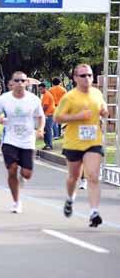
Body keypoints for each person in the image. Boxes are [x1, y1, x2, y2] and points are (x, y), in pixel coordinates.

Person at [54, 64, 108, 228]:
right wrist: (78, 116)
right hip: (74, 142)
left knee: (92, 175)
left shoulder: (97, 93)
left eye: (89, 75)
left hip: (93, 142)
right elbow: (57, 118)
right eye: (83, 76)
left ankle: (94, 212)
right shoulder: (69, 97)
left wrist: (104, 112)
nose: (87, 79)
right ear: (75, 78)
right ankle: (70, 199)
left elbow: (102, 107)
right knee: (74, 177)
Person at [0, 71, 45, 214]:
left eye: (22, 80)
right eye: (17, 80)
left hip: (27, 141)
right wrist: (0, 119)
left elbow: (41, 116)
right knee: (12, 169)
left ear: (27, 83)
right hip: (10, 139)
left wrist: (40, 129)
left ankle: (22, 178)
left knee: (27, 174)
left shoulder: (33, 99)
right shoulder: (4, 99)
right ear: (12, 83)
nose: (20, 83)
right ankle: (16, 202)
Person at [38, 83, 55, 150]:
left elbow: (45, 106)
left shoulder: (47, 95)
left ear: (45, 88)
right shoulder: (45, 95)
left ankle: (49, 145)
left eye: (41, 89)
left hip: (49, 115)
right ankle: (47, 144)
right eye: (39, 89)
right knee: (46, 130)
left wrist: (40, 113)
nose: (40, 91)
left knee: (48, 130)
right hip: (46, 115)